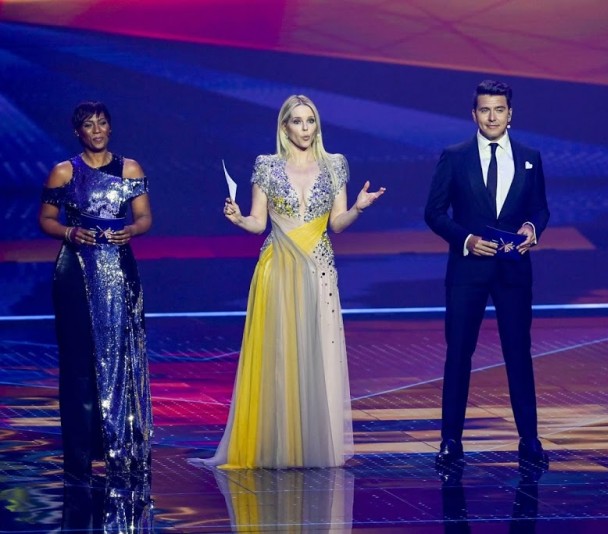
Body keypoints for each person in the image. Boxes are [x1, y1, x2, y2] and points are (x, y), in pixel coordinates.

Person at [200, 95, 384, 469]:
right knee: (279, 355)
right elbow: (258, 224)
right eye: (297, 121)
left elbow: (337, 224)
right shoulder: (267, 166)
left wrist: (358, 208)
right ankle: (276, 446)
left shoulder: (334, 165)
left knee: (318, 352)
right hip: (278, 267)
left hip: (318, 267)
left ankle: (313, 446)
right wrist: (238, 219)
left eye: (310, 120)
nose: (305, 128)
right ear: (284, 127)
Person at [424, 80, 550, 476]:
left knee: (519, 353)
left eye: (499, 109)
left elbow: (540, 208)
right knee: (459, 354)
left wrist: (532, 228)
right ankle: (450, 441)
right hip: (468, 270)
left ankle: (529, 441)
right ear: (474, 114)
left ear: (510, 114)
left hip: (513, 270)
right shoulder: (454, 157)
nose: (492, 117)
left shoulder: (530, 157)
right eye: (485, 110)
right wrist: (467, 240)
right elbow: (434, 212)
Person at [38, 101, 154, 484]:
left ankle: (122, 449)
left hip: (120, 270)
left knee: (122, 354)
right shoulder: (64, 171)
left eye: (102, 123)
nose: (98, 130)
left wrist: (131, 230)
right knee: (78, 361)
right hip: (75, 271)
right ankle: (79, 458)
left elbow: (144, 217)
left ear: (110, 127)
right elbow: (46, 219)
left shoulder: (130, 168)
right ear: (79, 132)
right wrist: (69, 232)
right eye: (89, 125)